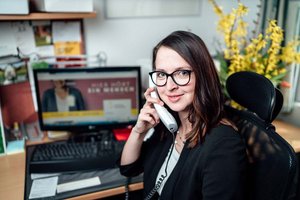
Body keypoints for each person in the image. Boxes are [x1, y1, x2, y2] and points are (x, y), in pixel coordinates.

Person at [119, 31, 247, 199]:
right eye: (162, 74)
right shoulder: (169, 125)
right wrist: (139, 131)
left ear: (203, 76)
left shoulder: (223, 145)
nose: (169, 86)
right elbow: (129, 168)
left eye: (182, 73)